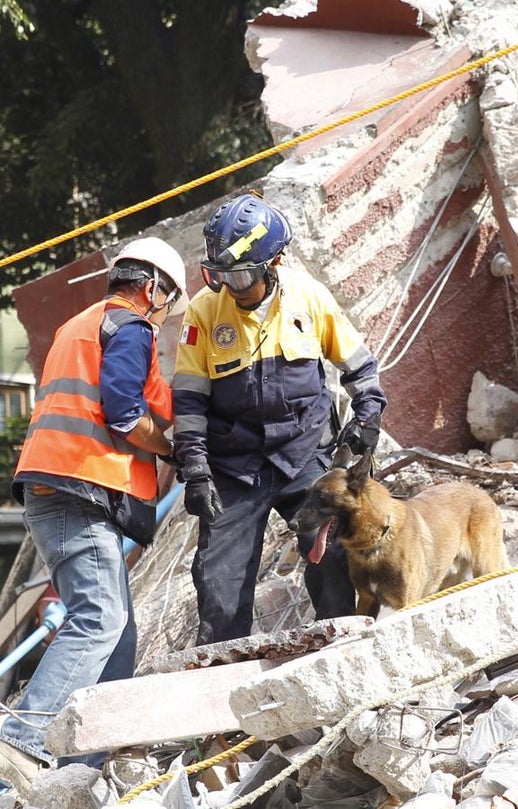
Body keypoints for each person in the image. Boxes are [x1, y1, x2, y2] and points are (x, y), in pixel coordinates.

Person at [0, 237, 187, 794]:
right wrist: (174, 448)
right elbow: (127, 412)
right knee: (99, 617)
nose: (162, 312)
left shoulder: (80, 324)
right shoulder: (129, 326)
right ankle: (19, 744)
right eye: (165, 300)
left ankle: (82, 772)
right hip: (78, 484)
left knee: (118, 635)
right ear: (151, 288)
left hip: (58, 484)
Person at [173, 192, 387, 645]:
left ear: (274, 263)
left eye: (245, 274)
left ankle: (336, 659)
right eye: (225, 276)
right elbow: (189, 400)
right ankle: (221, 693)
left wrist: (368, 416)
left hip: (304, 455)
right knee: (220, 584)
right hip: (234, 468)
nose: (235, 287)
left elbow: (362, 371)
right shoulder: (204, 311)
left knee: (332, 563)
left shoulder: (309, 298)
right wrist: (194, 467)